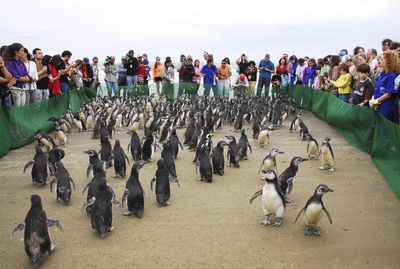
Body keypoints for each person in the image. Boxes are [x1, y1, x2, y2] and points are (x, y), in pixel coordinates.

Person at [370, 50, 399, 123]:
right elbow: (377, 88)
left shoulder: (393, 76)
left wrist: (376, 101)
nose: (379, 61)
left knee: (384, 127)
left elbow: (389, 94)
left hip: (386, 107)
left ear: (389, 61)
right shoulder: (382, 74)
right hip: (378, 106)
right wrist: (373, 99)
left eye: (382, 59)